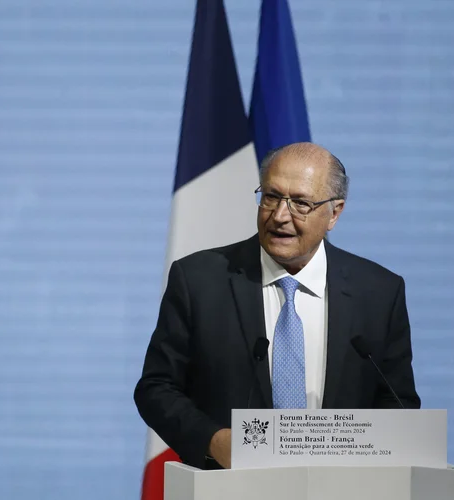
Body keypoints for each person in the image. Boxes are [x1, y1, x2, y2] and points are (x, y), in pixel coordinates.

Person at [133, 142, 420, 470]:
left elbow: (398, 404)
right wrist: (213, 441)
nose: (280, 216)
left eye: (300, 203)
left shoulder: (379, 292)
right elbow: (156, 388)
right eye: (271, 196)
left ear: (335, 212)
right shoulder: (199, 280)